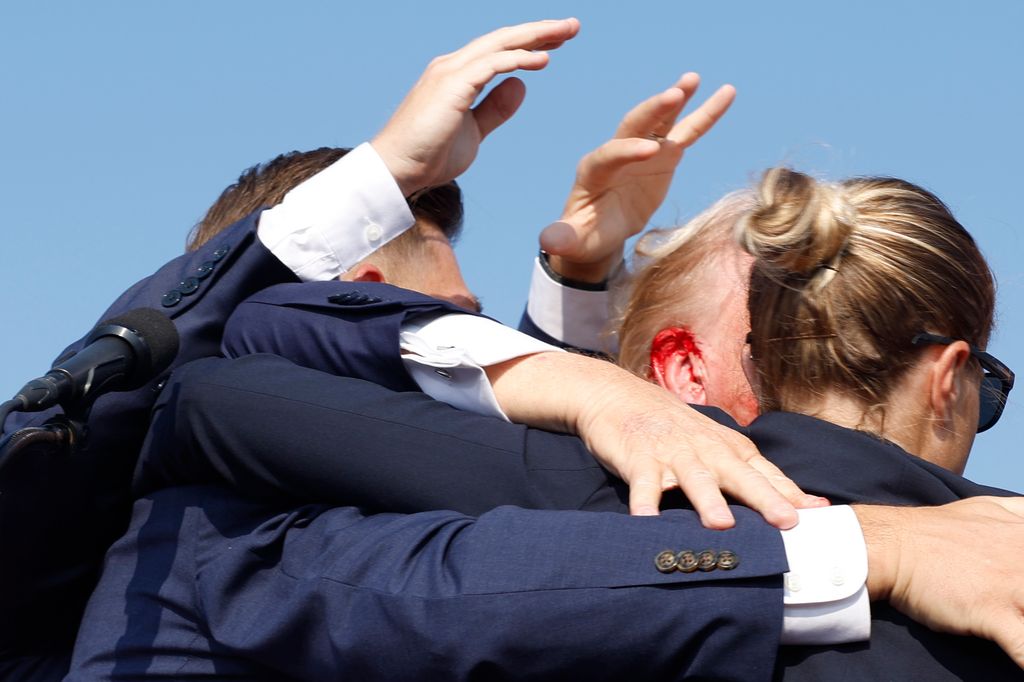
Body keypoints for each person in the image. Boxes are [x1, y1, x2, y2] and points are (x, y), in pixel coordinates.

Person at [68, 80, 1024, 678]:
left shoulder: (585, 550)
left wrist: (574, 307)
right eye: (458, 322)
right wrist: (861, 546)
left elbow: (506, 503)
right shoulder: (215, 522)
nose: (485, 351)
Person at [0, 18, 598, 680]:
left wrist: (577, 288)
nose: (470, 353)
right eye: (453, 319)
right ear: (364, 294)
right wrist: (382, 175)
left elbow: (510, 476)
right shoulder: (135, 553)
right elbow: (71, 427)